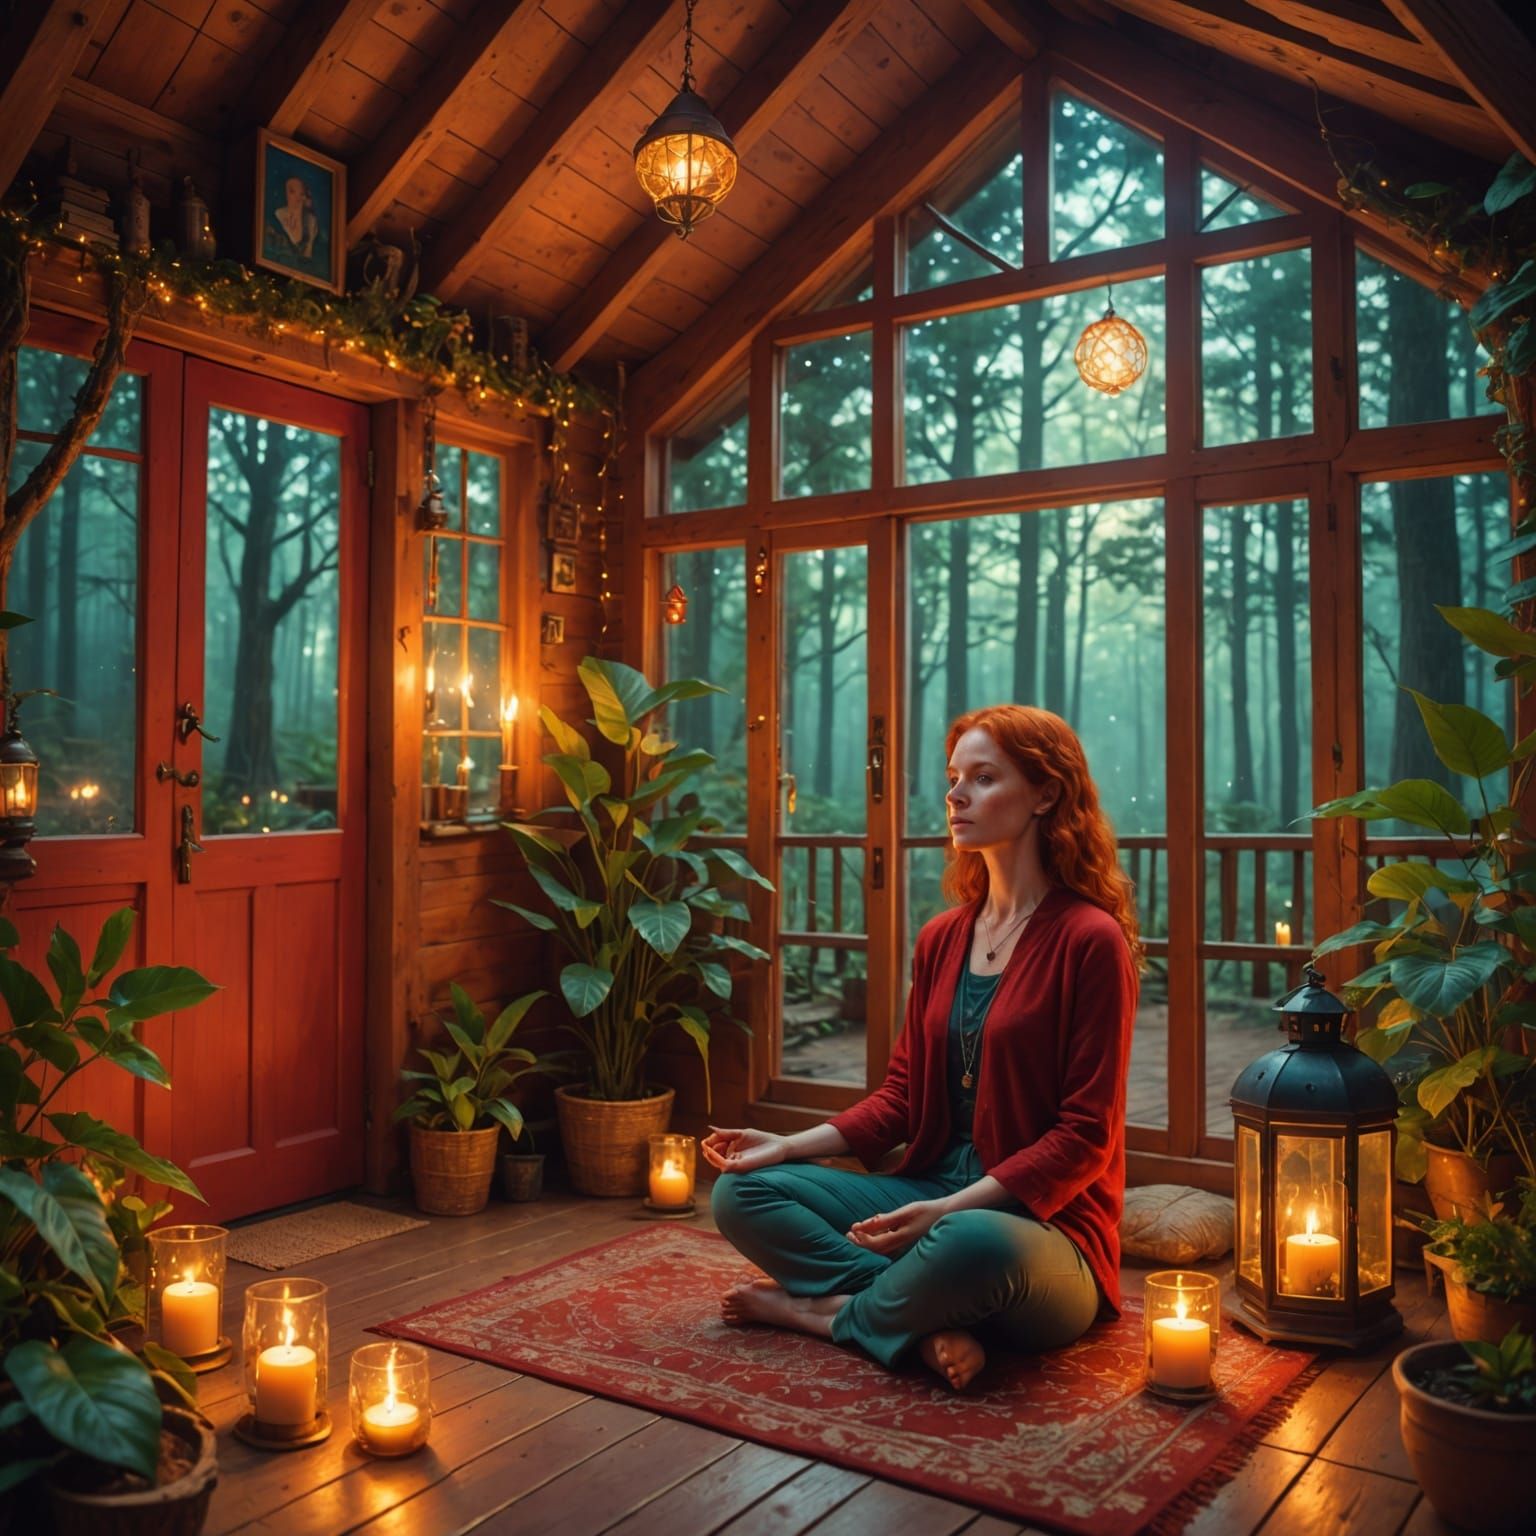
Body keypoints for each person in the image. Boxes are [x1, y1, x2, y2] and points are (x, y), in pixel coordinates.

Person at [705, 705, 1140, 1391]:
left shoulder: (1090, 940)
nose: (955, 796)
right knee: (742, 1192)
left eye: (984, 778)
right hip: (929, 1187)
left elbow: (1085, 1138)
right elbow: (902, 1099)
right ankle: (923, 1317)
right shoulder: (943, 938)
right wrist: (786, 1146)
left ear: (1046, 794)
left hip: (1038, 1233)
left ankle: (823, 1315)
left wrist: (946, 1213)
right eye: (953, 777)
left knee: (966, 1243)